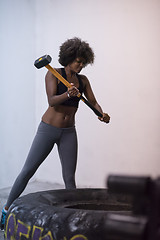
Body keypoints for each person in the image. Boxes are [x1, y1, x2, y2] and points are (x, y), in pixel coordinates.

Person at [0, 37, 110, 230]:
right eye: (78, 61)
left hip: (69, 132)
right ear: (68, 58)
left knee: (69, 178)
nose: (81, 65)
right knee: (28, 171)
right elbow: (52, 100)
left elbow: (93, 101)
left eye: (84, 61)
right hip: (48, 130)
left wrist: (101, 113)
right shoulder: (52, 74)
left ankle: (75, 221)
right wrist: (68, 94)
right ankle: (6, 210)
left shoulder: (83, 81)